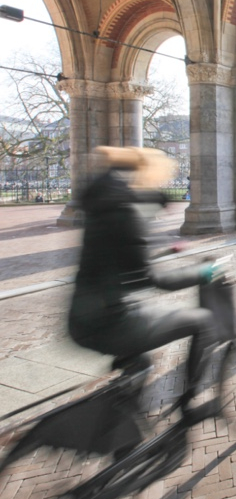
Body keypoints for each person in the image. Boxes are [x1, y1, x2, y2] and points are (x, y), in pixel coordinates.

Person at [68, 146, 220, 428]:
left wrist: (165, 252)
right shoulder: (127, 211)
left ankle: (124, 438)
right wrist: (202, 272)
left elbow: (122, 260)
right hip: (113, 322)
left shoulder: (103, 204)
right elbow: (153, 281)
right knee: (203, 322)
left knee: (139, 363)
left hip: (81, 319)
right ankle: (189, 407)